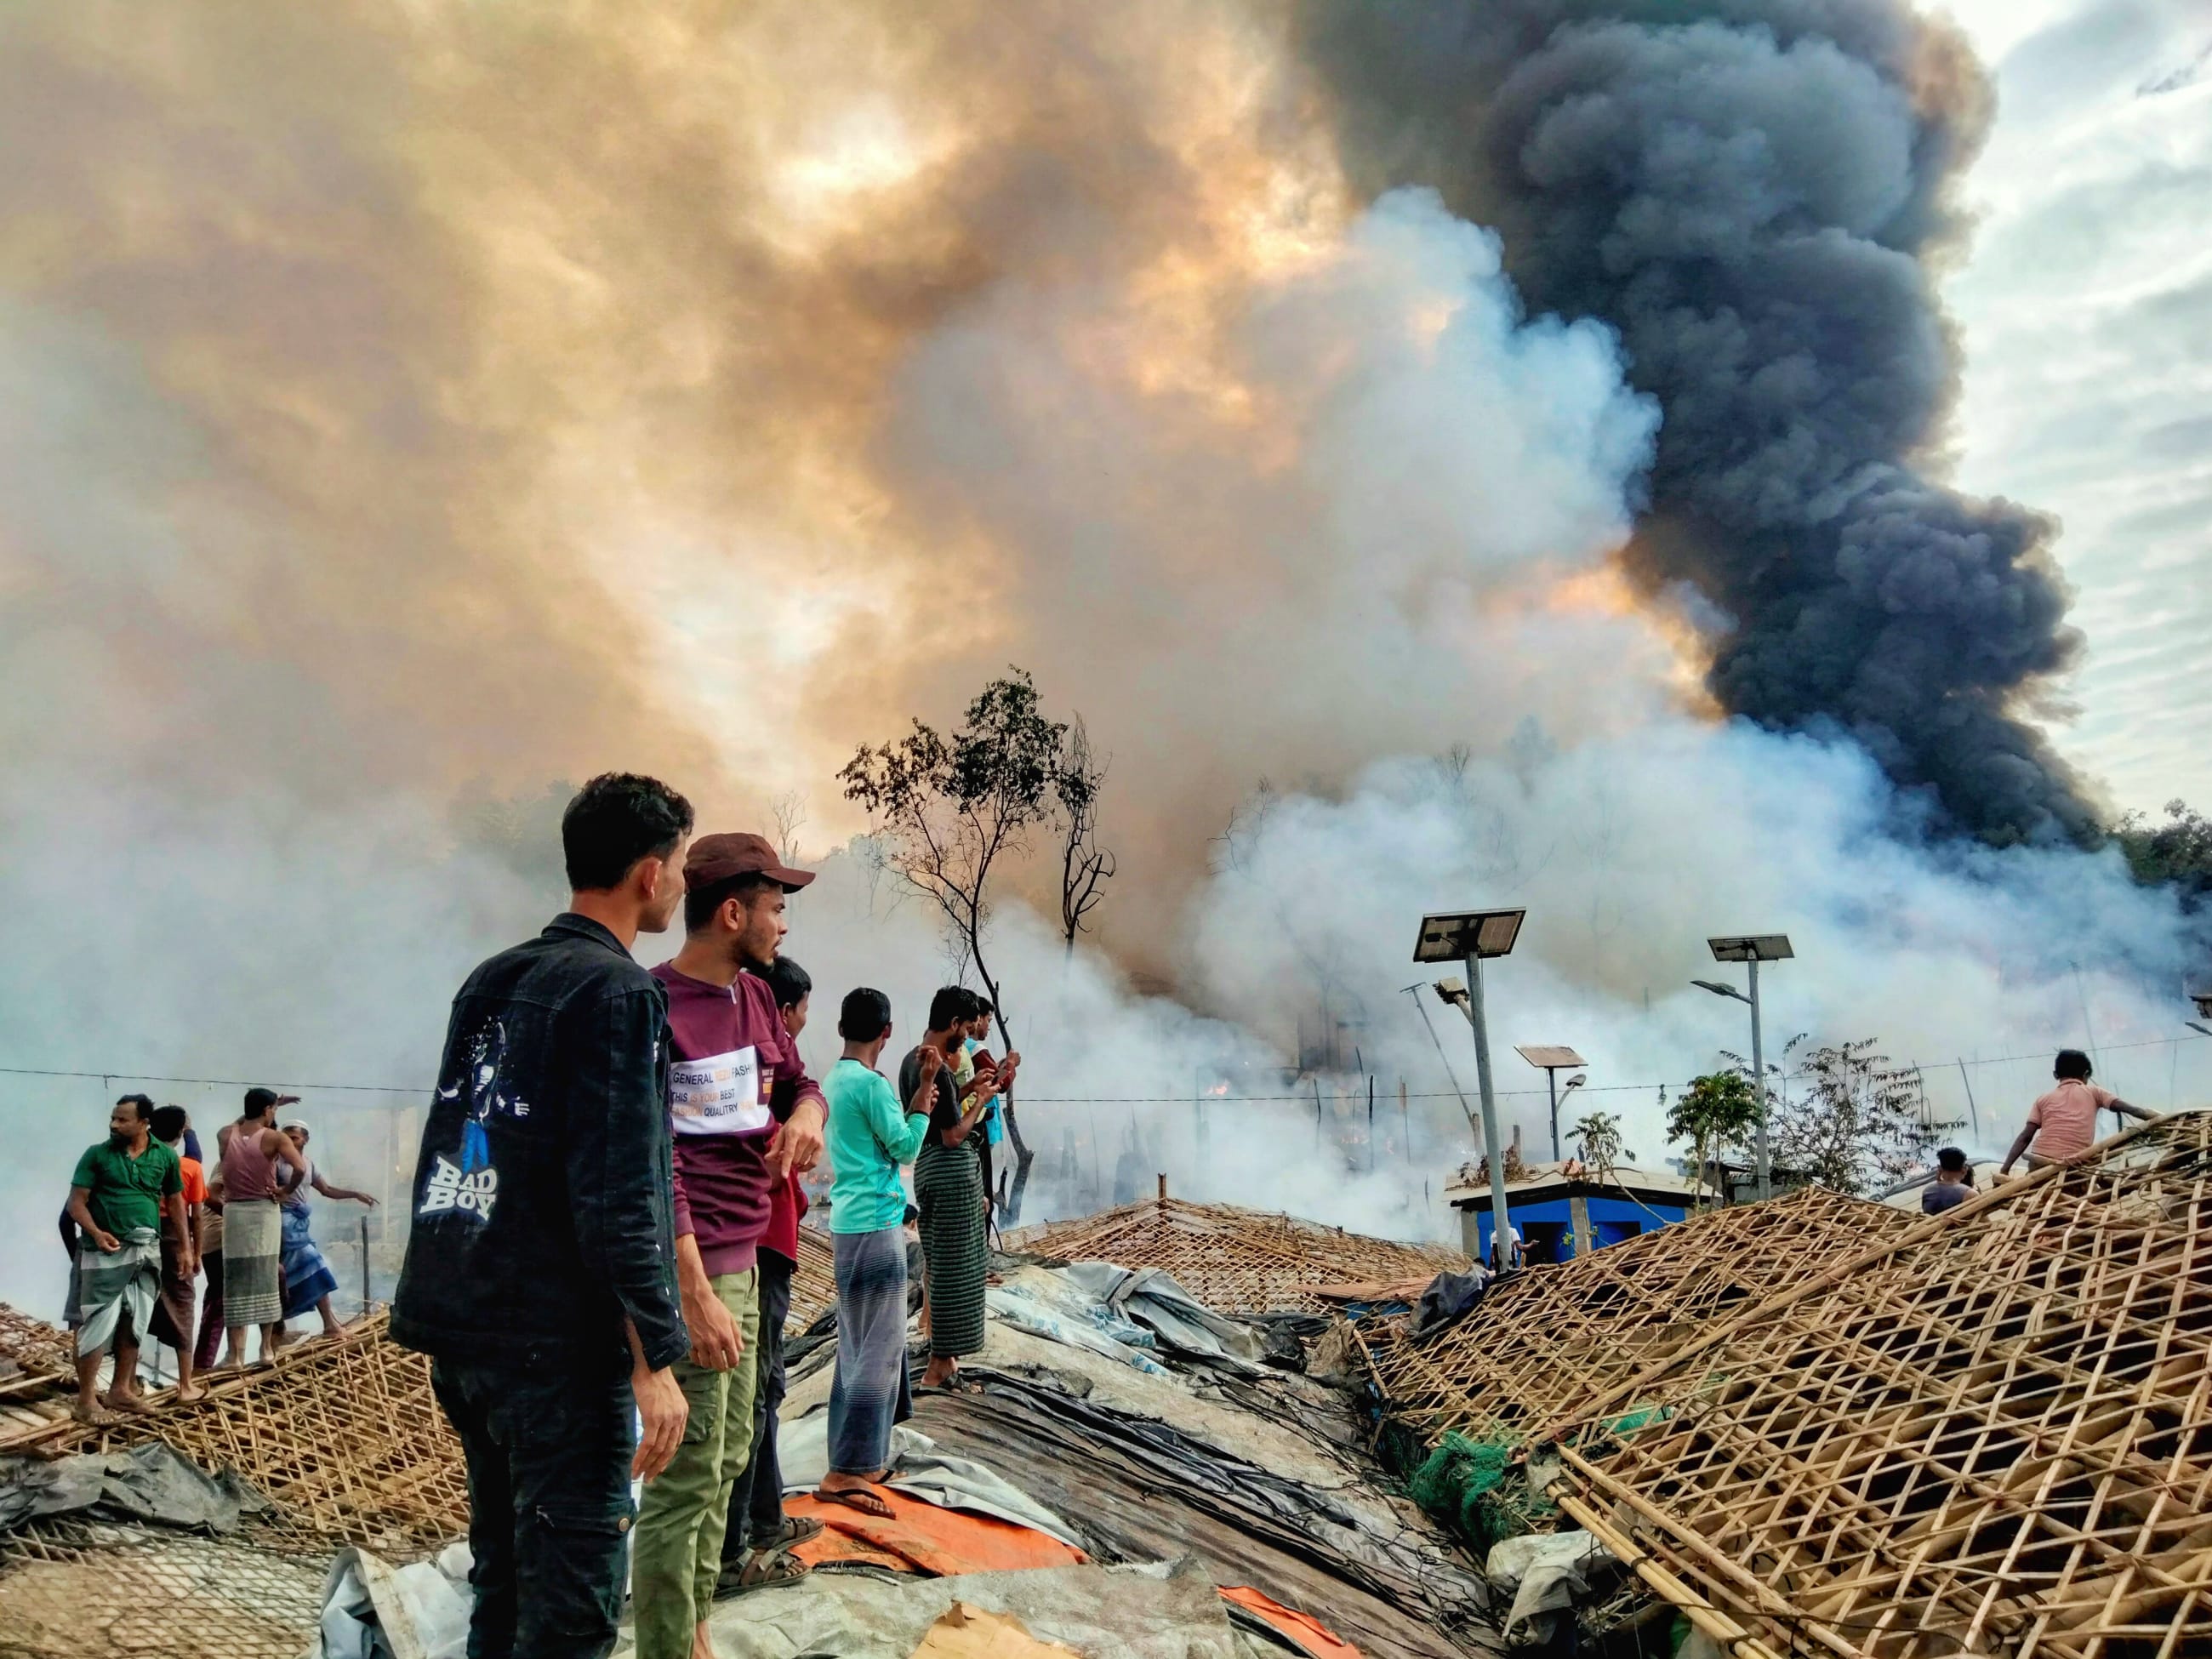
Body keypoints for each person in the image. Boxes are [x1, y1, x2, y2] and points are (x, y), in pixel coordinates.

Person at [391, 772, 694, 1659]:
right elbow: (618, 1189)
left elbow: (460, 1146)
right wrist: (652, 1358)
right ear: (648, 873)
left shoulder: (491, 979)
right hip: (556, 1355)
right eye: (676, 865)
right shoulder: (620, 995)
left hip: (464, 1338)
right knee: (569, 1613)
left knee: (504, 1579)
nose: (678, 883)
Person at [634, 834, 827, 1659]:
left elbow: (799, 1082)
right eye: (776, 908)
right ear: (732, 911)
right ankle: (669, 1647)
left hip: (745, 1257)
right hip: (691, 1269)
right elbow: (649, 1161)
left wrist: (804, 1120)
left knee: (732, 1451)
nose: (783, 925)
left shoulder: (753, 1000)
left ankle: (697, 1620)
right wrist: (693, 1292)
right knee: (687, 1471)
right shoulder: (649, 1007)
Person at [718, 954, 827, 1596]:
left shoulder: (775, 1079)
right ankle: (734, 1550)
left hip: (766, 1242)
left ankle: (762, 1519)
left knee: (765, 1391)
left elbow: (805, 1093)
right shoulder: (739, 1064)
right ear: (778, 1012)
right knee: (748, 1399)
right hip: (754, 1248)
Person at [818, 987, 936, 1517]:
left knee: (856, 1340)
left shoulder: (833, 1080)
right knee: (882, 1345)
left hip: (847, 1223)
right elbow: (906, 1148)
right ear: (885, 1033)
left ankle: (862, 1454)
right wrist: (921, 1104)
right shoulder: (871, 1086)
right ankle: (849, 1468)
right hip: (878, 1223)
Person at [901, 989, 1018, 1393]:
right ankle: (937, 1367)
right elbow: (952, 1134)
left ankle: (947, 1361)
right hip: (949, 1172)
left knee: (953, 1265)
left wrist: (967, 1091)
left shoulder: (913, 1061)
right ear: (953, 1024)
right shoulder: (935, 1067)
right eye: (966, 1028)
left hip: (933, 1172)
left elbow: (936, 1111)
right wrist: (982, 1099)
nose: (967, 1036)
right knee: (954, 1271)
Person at [66, 1095, 186, 1423]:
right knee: (96, 1321)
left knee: (136, 1317)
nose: (114, 1125)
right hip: (104, 1250)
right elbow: (76, 1203)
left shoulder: (165, 1156)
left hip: (146, 1249)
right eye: (113, 1118)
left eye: (122, 1120)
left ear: (144, 1123)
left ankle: (121, 1389)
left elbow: (176, 1204)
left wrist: (186, 1249)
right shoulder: (97, 1154)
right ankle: (86, 1401)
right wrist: (96, 1231)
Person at [218, 1087, 311, 1369]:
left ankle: (235, 1355)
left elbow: (240, 1125)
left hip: (234, 1214)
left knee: (235, 1281)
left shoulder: (224, 1134)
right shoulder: (275, 1138)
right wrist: (285, 1192)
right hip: (263, 1211)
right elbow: (300, 1168)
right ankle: (266, 1350)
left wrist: (271, 1105)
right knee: (266, 1277)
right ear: (268, 1111)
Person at [272, 1122, 377, 1346]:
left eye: (295, 1138)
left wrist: (355, 1194)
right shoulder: (276, 1163)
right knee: (314, 1266)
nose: (290, 1142)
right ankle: (329, 1324)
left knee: (287, 1278)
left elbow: (326, 1190)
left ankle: (279, 1331)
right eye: (286, 1137)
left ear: (305, 1140)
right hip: (283, 1225)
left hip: (298, 1225)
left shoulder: (307, 1164)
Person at [1998, 1050, 2157, 1176]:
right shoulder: (2095, 1092)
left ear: (2055, 1075)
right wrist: (2158, 1119)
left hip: (2039, 1163)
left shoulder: (2043, 1099)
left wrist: (2005, 1169)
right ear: (2086, 1074)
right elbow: (2133, 1110)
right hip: (2074, 1166)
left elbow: (2026, 1136)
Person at [145, 1105, 209, 1405]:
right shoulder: (188, 1166)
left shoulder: (139, 1160)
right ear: (180, 1133)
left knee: (138, 1304)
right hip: (173, 1236)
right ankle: (185, 1385)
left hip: (141, 1230)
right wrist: (195, 1252)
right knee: (183, 1304)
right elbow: (196, 1216)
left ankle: (127, 1384)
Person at [1922, 1147, 1975, 1215]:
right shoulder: (1969, 1194)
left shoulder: (1927, 1191)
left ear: (1940, 1168)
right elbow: (1986, 1223)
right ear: (1964, 1169)